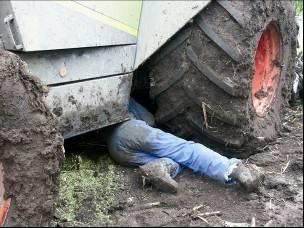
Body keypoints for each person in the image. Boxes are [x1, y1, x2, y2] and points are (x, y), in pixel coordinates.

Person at [107, 98, 264, 193]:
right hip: (129, 130)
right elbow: (148, 119)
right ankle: (233, 170)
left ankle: (161, 168)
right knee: (187, 151)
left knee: (175, 161)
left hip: (116, 151)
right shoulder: (124, 97)